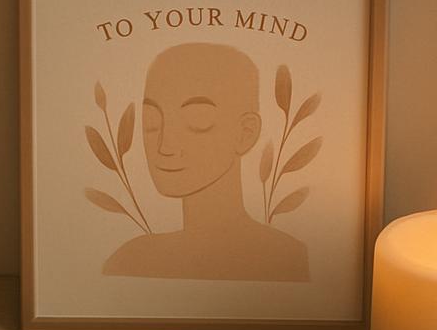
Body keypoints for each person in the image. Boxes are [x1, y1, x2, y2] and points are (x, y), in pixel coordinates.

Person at [103, 43, 309, 282]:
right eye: (151, 121)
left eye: (197, 119)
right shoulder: (129, 260)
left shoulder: (288, 258)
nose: (164, 147)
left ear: (245, 133)